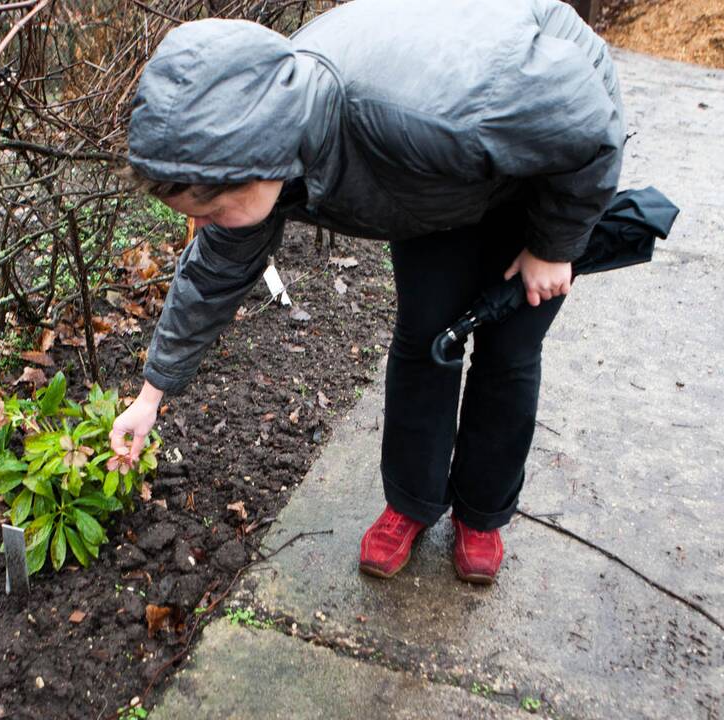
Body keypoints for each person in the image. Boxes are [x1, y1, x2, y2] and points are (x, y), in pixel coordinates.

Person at [108, 0, 624, 584]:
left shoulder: (417, 112)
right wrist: (150, 397)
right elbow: (213, 273)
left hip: (545, 162)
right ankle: (412, 502)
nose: (206, 227)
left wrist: (554, 244)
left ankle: (482, 512)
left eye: (211, 209)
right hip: (432, 184)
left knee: (508, 351)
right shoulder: (270, 126)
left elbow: (587, 125)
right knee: (427, 333)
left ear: (255, 161)